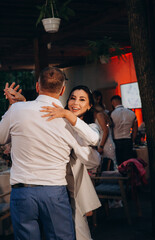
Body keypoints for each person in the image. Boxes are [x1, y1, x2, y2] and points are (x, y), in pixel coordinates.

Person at [1, 67, 101, 240]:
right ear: (63, 90)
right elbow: (93, 141)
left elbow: (2, 138)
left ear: (37, 86)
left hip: (22, 191)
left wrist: (14, 107)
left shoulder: (18, 110)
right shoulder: (66, 119)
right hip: (54, 192)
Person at [40, 85, 101, 240]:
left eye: (82, 100)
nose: (76, 103)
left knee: (81, 234)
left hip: (74, 193)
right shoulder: (58, 123)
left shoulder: (91, 127)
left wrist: (68, 116)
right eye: (73, 98)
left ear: (89, 106)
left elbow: (93, 160)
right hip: (52, 187)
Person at [92, 90, 117, 170]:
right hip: (105, 142)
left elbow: (106, 131)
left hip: (106, 144)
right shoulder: (102, 113)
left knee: (110, 167)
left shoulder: (99, 114)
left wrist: (101, 146)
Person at [110, 95, 138, 165]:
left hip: (117, 141)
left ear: (113, 103)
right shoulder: (131, 113)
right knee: (129, 162)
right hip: (128, 140)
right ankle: (129, 175)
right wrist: (133, 140)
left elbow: (110, 128)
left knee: (120, 163)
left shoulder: (112, 114)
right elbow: (135, 129)